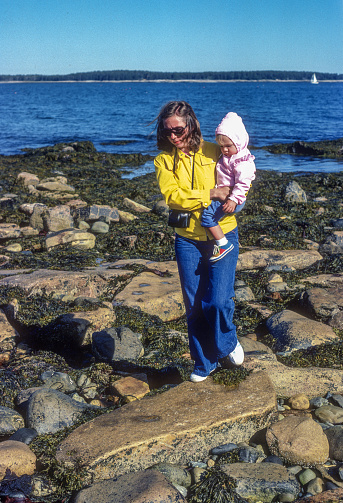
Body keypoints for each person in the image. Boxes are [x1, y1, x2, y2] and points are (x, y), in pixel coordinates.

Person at [154, 101, 244, 383]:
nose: (173, 137)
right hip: (187, 241)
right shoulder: (163, 161)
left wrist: (233, 196)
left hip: (224, 234)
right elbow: (173, 197)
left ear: (190, 124)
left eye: (178, 130)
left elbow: (241, 173)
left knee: (217, 301)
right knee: (194, 305)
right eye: (167, 132)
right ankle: (204, 363)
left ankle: (227, 343)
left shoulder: (216, 151)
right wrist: (211, 193)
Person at [201, 112, 256, 262]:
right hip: (228, 197)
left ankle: (223, 243)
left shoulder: (242, 162)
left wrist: (233, 200)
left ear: (238, 142)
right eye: (221, 146)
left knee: (207, 217)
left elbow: (243, 183)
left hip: (233, 199)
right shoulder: (231, 156)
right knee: (208, 215)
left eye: (228, 146)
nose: (224, 150)